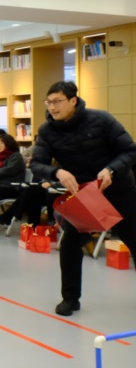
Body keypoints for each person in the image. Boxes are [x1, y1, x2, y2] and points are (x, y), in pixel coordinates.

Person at [30, 81, 136, 317]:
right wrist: (57, 172)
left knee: (134, 239)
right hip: (85, 195)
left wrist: (111, 169)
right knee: (69, 245)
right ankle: (70, 299)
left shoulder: (102, 119)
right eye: (48, 102)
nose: (52, 107)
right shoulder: (47, 131)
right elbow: (36, 164)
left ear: (73, 101)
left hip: (118, 189)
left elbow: (129, 150)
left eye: (57, 101)